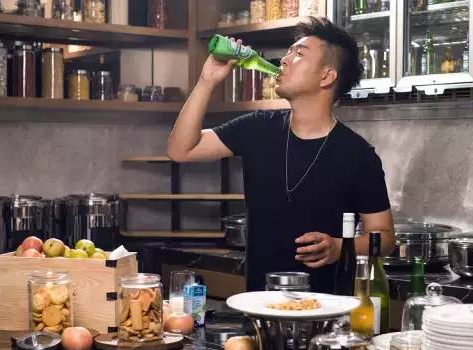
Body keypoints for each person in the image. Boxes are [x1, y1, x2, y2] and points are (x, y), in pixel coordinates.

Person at [167, 17, 395, 292]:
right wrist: (207, 81)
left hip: (327, 308)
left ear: (326, 76)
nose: (284, 60)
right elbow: (181, 149)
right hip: (258, 305)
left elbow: (385, 238)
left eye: (299, 54)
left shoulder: (358, 155)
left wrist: (340, 246)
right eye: (288, 52)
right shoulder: (257, 127)